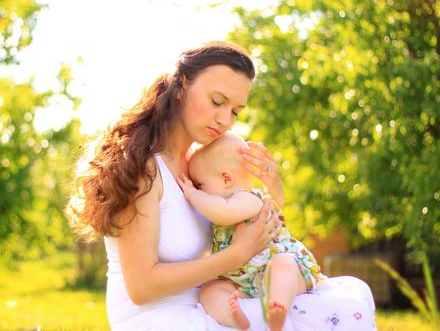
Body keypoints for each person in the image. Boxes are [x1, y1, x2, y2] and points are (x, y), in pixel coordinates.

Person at [66, 41, 376, 331]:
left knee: (342, 299)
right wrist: (235, 255)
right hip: (159, 319)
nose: (225, 119)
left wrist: (271, 186)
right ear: (182, 85)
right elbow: (141, 288)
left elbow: (260, 230)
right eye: (217, 101)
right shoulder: (143, 168)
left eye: (236, 111)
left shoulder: (203, 168)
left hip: (207, 304)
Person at [177, 132, 327, 330]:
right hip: (241, 279)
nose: (198, 189)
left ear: (226, 179)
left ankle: (278, 306)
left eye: (200, 184)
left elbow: (222, 212)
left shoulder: (249, 199)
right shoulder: (224, 202)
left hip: (271, 266)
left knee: (283, 266)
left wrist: (193, 194)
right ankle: (237, 318)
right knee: (208, 291)